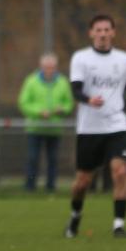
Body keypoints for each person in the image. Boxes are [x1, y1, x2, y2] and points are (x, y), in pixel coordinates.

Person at [65, 14, 126, 239]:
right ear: (91, 33)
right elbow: (75, 90)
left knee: (120, 171)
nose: (102, 34)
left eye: (106, 30)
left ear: (113, 32)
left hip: (116, 125)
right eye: (98, 30)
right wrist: (88, 99)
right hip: (89, 128)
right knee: (82, 182)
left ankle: (119, 225)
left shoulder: (124, 59)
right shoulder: (81, 58)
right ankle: (75, 215)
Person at [17, 53, 73, 191]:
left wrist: (62, 109)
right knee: (33, 158)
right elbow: (23, 103)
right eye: (47, 67)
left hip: (55, 128)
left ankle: (51, 187)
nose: (49, 70)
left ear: (56, 67)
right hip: (35, 128)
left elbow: (69, 103)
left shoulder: (63, 82)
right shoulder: (31, 81)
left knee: (53, 159)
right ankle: (30, 186)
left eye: (52, 67)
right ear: (41, 67)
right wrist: (39, 112)